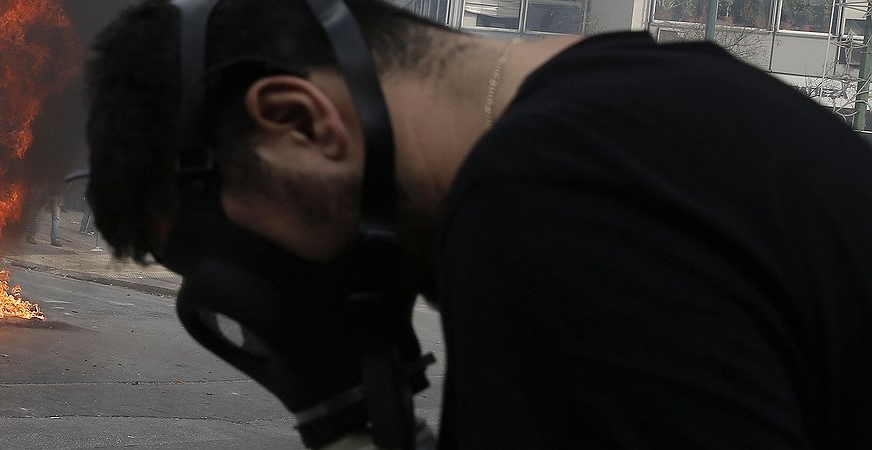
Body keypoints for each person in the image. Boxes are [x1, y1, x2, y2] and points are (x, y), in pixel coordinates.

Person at [84, 1, 872, 448]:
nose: (261, 289)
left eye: (232, 253)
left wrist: (342, 420)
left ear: (302, 124)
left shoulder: (547, 200)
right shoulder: (655, 101)